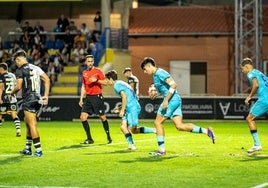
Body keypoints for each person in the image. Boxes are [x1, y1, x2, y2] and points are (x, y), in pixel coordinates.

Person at [140, 57, 215, 156]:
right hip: (174, 100)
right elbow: (164, 90)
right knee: (179, 126)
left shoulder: (160, 72)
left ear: (149, 66)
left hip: (172, 100)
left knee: (157, 123)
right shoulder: (155, 76)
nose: (145, 72)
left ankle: (161, 150)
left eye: (145, 69)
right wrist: (155, 94)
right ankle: (207, 131)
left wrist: (166, 100)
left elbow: (174, 85)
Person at [10, 49, 50, 157]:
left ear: (18, 60)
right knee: (27, 122)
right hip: (37, 98)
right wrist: (46, 95)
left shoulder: (20, 70)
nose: (16, 63)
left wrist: (11, 93)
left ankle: (39, 150)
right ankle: (28, 148)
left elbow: (18, 86)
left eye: (16, 61)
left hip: (29, 99)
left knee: (32, 124)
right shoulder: (36, 67)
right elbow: (47, 79)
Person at [105, 70, 155, 150]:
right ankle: (131, 145)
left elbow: (125, 97)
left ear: (110, 79)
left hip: (133, 108)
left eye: (107, 80)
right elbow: (129, 96)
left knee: (133, 130)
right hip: (131, 107)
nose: (106, 82)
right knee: (123, 127)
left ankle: (154, 130)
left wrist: (122, 110)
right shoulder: (121, 83)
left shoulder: (116, 85)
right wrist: (120, 107)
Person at [79, 54, 112, 144]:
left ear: (93, 62)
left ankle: (109, 137)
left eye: (91, 61)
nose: (90, 63)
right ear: (86, 62)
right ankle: (89, 139)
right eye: (88, 61)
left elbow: (106, 82)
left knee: (102, 118)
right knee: (83, 117)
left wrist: (96, 80)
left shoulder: (98, 71)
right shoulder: (84, 73)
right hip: (88, 98)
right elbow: (83, 86)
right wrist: (81, 98)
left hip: (97, 97)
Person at [240, 57, 268, 153]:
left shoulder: (250, 73)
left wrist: (249, 97)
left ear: (247, 67)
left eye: (242, 68)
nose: (242, 70)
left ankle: (257, 144)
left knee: (249, 118)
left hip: (265, 100)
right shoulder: (259, 72)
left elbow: (256, 85)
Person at [0, 63, 21, 136]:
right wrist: (13, 94)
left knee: (0, 115)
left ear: (2, 69)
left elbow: (1, 88)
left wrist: (0, 98)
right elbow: (16, 86)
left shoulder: (1, 76)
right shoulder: (13, 75)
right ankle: (18, 130)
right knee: (14, 114)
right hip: (12, 97)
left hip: (4, 97)